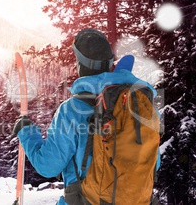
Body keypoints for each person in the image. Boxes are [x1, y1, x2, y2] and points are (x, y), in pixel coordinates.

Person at [13, 28, 161, 205]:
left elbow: (47, 165)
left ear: (81, 65)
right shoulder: (140, 105)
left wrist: (27, 133)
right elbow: (154, 163)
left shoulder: (72, 110)